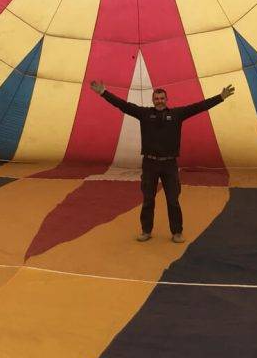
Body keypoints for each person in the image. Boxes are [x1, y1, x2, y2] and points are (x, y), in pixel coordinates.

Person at [90, 79, 235, 243]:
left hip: (170, 164)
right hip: (150, 164)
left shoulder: (177, 114)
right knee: (148, 199)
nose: (159, 101)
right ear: (153, 100)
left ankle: (177, 232)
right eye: (156, 98)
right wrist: (103, 93)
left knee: (173, 199)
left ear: (167, 100)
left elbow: (199, 107)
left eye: (162, 98)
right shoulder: (144, 114)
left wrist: (220, 97)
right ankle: (146, 231)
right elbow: (122, 105)